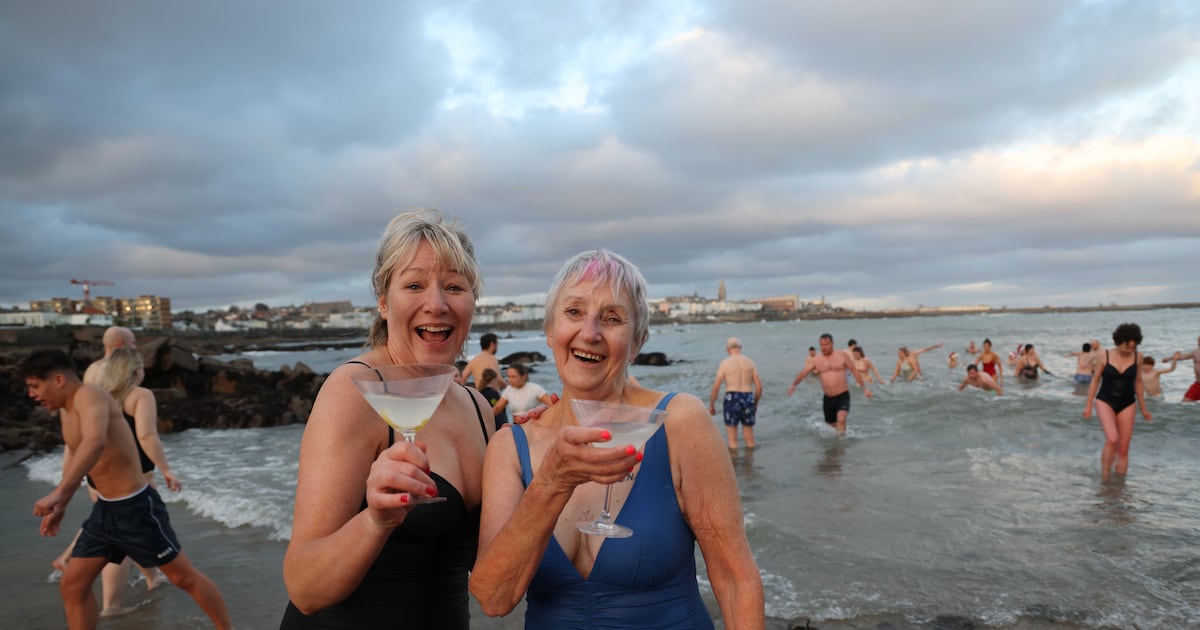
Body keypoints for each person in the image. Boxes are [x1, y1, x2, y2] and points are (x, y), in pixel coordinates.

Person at [469, 249, 764, 628]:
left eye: (612, 318)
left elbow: (736, 579)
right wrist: (551, 482)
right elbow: (494, 598)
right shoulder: (510, 446)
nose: (589, 333)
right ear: (549, 330)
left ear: (637, 340)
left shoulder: (679, 422)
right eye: (573, 312)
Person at [280, 210, 496, 629]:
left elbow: (491, 571)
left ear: (472, 301)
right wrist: (376, 520)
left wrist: (540, 458)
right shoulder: (356, 390)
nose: (437, 304)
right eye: (414, 285)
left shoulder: (478, 407)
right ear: (383, 301)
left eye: (454, 286)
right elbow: (304, 589)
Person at [20, 350, 232, 630]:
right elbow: (75, 453)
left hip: (136, 510)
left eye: (35, 385)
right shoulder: (65, 410)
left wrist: (59, 493)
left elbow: (94, 442)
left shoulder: (90, 395)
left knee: (184, 578)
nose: (32, 394)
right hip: (105, 510)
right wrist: (62, 505)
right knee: (73, 583)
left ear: (58, 379)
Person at [1083, 323, 1151, 479]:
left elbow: (1138, 383)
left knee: (1123, 449)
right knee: (1112, 438)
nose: (1129, 351)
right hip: (1105, 401)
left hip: (1127, 402)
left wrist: (1144, 408)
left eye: (1133, 348)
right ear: (1118, 342)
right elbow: (1095, 381)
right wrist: (1088, 405)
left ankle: (1120, 485)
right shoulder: (1104, 355)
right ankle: (1105, 478)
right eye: (1127, 347)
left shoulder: (1138, 357)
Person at [788, 333, 873, 435]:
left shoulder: (842, 356)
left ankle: (842, 447)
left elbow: (854, 371)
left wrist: (864, 388)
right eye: (821, 345)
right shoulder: (817, 360)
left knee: (841, 418)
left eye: (826, 344)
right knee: (831, 425)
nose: (824, 347)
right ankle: (838, 444)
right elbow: (803, 373)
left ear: (832, 343)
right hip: (828, 398)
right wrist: (793, 385)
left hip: (842, 395)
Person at [708, 336, 764, 450]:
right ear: (741, 348)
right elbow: (759, 387)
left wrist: (712, 405)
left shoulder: (725, 363)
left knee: (732, 440)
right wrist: (756, 404)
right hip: (748, 397)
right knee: (750, 439)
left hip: (731, 398)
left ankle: (735, 466)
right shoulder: (750, 362)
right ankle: (750, 465)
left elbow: (716, 387)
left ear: (727, 349)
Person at [1171, 336, 1200, 402]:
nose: (1198, 342)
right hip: (1198, 384)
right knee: (1185, 402)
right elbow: (1183, 357)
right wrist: (1169, 358)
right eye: (1198, 341)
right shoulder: (1195, 352)